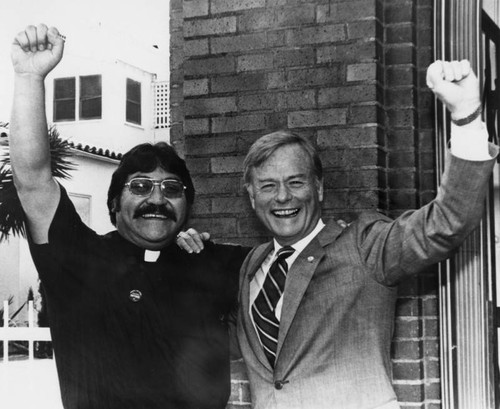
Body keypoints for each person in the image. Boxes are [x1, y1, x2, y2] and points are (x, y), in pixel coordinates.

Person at [9, 24, 249, 409]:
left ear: (188, 207)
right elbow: (33, 179)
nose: (157, 199)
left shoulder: (217, 264)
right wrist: (28, 76)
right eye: (140, 187)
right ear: (114, 203)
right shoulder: (78, 260)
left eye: (172, 189)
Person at [235, 61, 497, 408]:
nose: (283, 196)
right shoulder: (252, 265)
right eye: (268, 186)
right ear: (253, 197)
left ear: (319, 188)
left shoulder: (365, 245)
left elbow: (447, 223)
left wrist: (466, 116)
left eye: (295, 182)